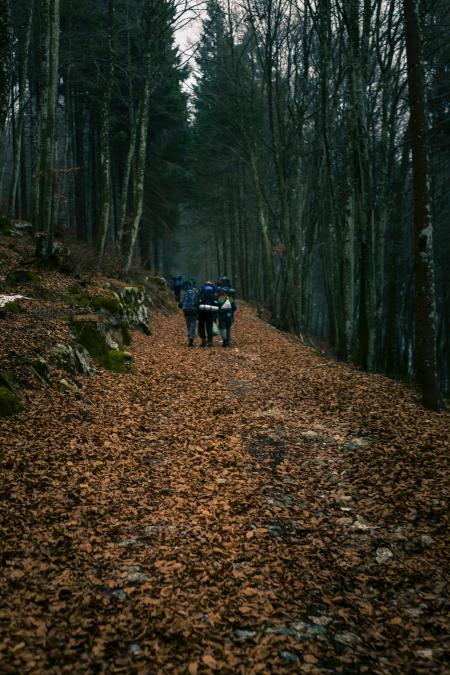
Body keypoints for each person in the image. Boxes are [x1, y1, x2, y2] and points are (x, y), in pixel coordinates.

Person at [197, 280, 218, 347]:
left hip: (202, 311)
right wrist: (215, 315)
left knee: (201, 325)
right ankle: (210, 341)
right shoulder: (213, 294)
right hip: (210, 312)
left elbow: (197, 301)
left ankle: (203, 340)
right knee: (209, 326)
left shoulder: (201, 292)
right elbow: (216, 304)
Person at [179, 279, 198, 347]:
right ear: (191, 284)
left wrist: (182, 306)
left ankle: (189, 336)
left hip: (186, 310)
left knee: (188, 324)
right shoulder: (195, 291)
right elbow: (197, 300)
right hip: (193, 309)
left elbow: (181, 303)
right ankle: (191, 338)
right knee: (193, 323)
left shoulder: (184, 291)